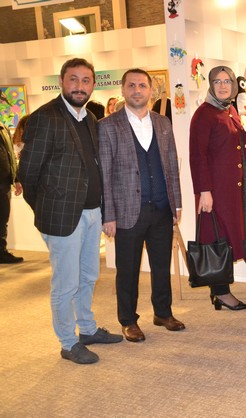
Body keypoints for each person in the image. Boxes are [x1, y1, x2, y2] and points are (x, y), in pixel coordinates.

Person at [19, 58, 123, 364]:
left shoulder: (89, 118)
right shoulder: (44, 117)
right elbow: (27, 174)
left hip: (92, 212)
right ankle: (67, 342)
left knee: (88, 276)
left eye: (86, 80)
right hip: (62, 218)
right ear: (62, 82)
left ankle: (87, 329)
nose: (79, 86)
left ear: (93, 85)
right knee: (66, 283)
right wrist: (46, 210)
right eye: (73, 79)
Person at [99, 68, 185, 343]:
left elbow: (171, 167)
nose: (137, 90)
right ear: (123, 89)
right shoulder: (107, 126)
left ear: (150, 90)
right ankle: (128, 320)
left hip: (161, 207)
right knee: (128, 269)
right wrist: (108, 214)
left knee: (161, 265)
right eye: (132, 85)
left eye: (142, 86)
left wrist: (176, 203)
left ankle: (163, 312)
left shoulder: (163, 123)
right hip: (126, 211)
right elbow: (104, 174)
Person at [189, 65, 246, 311]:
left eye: (227, 81)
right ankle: (221, 292)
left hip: (231, 191)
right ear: (211, 85)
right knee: (217, 238)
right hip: (214, 191)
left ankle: (220, 290)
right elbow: (198, 156)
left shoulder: (230, 110)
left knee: (227, 239)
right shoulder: (204, 114)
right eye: (217, 81)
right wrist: (204, 191)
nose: (223, 86)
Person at [0, 121, 23, 263]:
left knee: (2, 218)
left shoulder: (3, 128)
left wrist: (16, 178)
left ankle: (1, 252)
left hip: (4, 182)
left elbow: (10, 155)